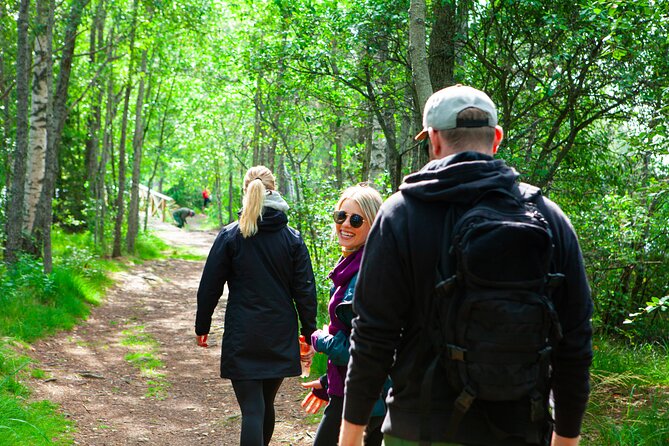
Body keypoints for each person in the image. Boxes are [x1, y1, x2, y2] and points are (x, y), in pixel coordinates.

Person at [339, 85, 593, 446]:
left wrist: (348, 438)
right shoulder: (547, 217)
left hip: (419, 428)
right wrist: (565, 438)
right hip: (521, 430)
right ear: (497, 139)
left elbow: (372, 337)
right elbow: (576, 341)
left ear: (434, 140)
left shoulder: (400, 215)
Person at [195, 165, 318, 446]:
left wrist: (202, 326)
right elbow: (305, 291)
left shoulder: (230, 236)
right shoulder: (293, 238)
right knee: (265, 404)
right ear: (274, 190)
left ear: (246, 191)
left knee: (252, 408)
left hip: (243, 334)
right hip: (279, 334)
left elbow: (209, 287)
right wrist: (309, 333)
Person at [301, 184, 388, 446]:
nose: (345, 224)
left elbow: (361, 349)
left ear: (373, 224)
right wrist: (329, 383)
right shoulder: (352, 268)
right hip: (358, 392)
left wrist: (317, 338)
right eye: (341, 216)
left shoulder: (365, 275)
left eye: (356, 219)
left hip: (362, 398)